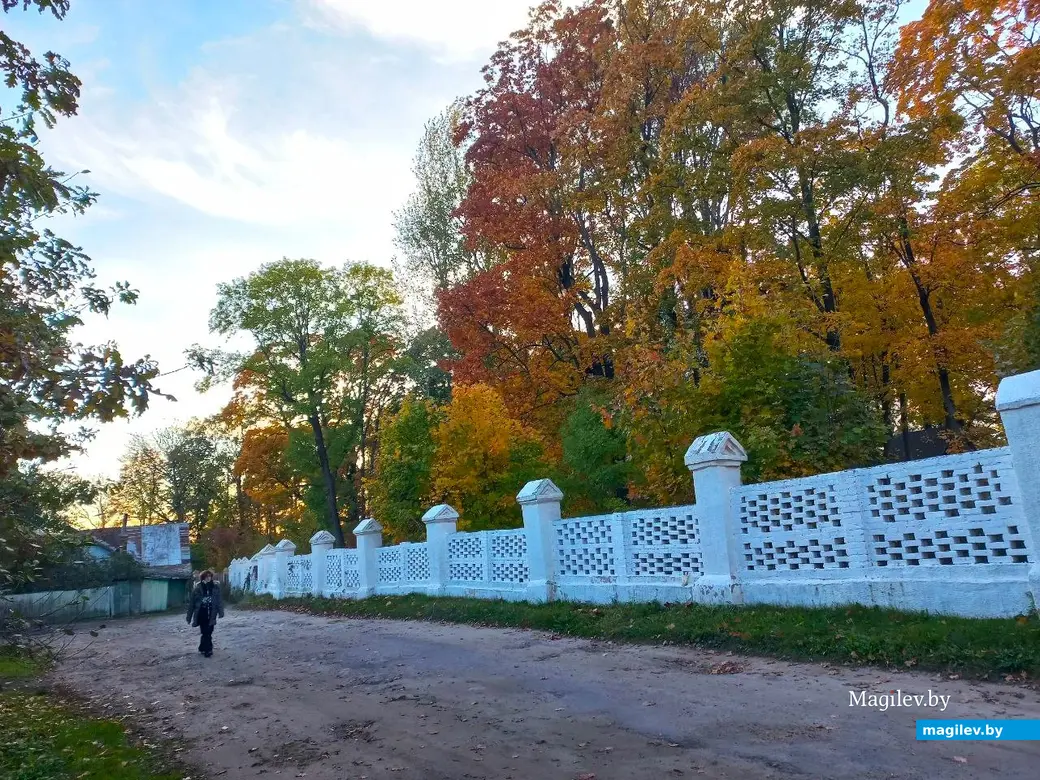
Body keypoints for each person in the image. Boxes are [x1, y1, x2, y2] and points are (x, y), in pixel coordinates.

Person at [186, 569, 224, 657]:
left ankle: (202, 647)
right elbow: (192, 604)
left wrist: (221, 612)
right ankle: (208, 650)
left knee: (209, 632)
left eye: (210, 576)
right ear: (203, 577)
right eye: (206, 576)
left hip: (211, 613)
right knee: (205, 632)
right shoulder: (198, 588)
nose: (208, 578)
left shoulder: (215, 587)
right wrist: (189, 617)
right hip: (201, 613)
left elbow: (219, 600)